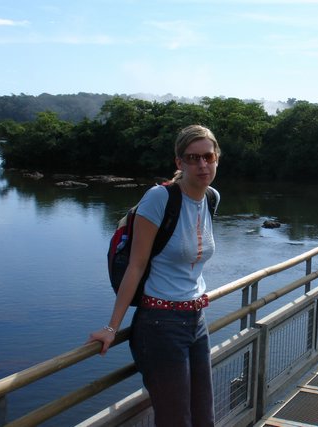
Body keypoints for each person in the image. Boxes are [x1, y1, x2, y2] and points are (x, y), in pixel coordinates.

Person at [88, 124, 221, 426]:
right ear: (179, 163)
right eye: (192, 158)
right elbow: (136, 265)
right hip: (159, 325)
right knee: (176, 420)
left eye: (208, 157)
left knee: (204, 417)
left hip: (196, 321)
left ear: (216, 159)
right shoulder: (159, 198)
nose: (202, 165)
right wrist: (112, 327)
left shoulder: (211, 198)